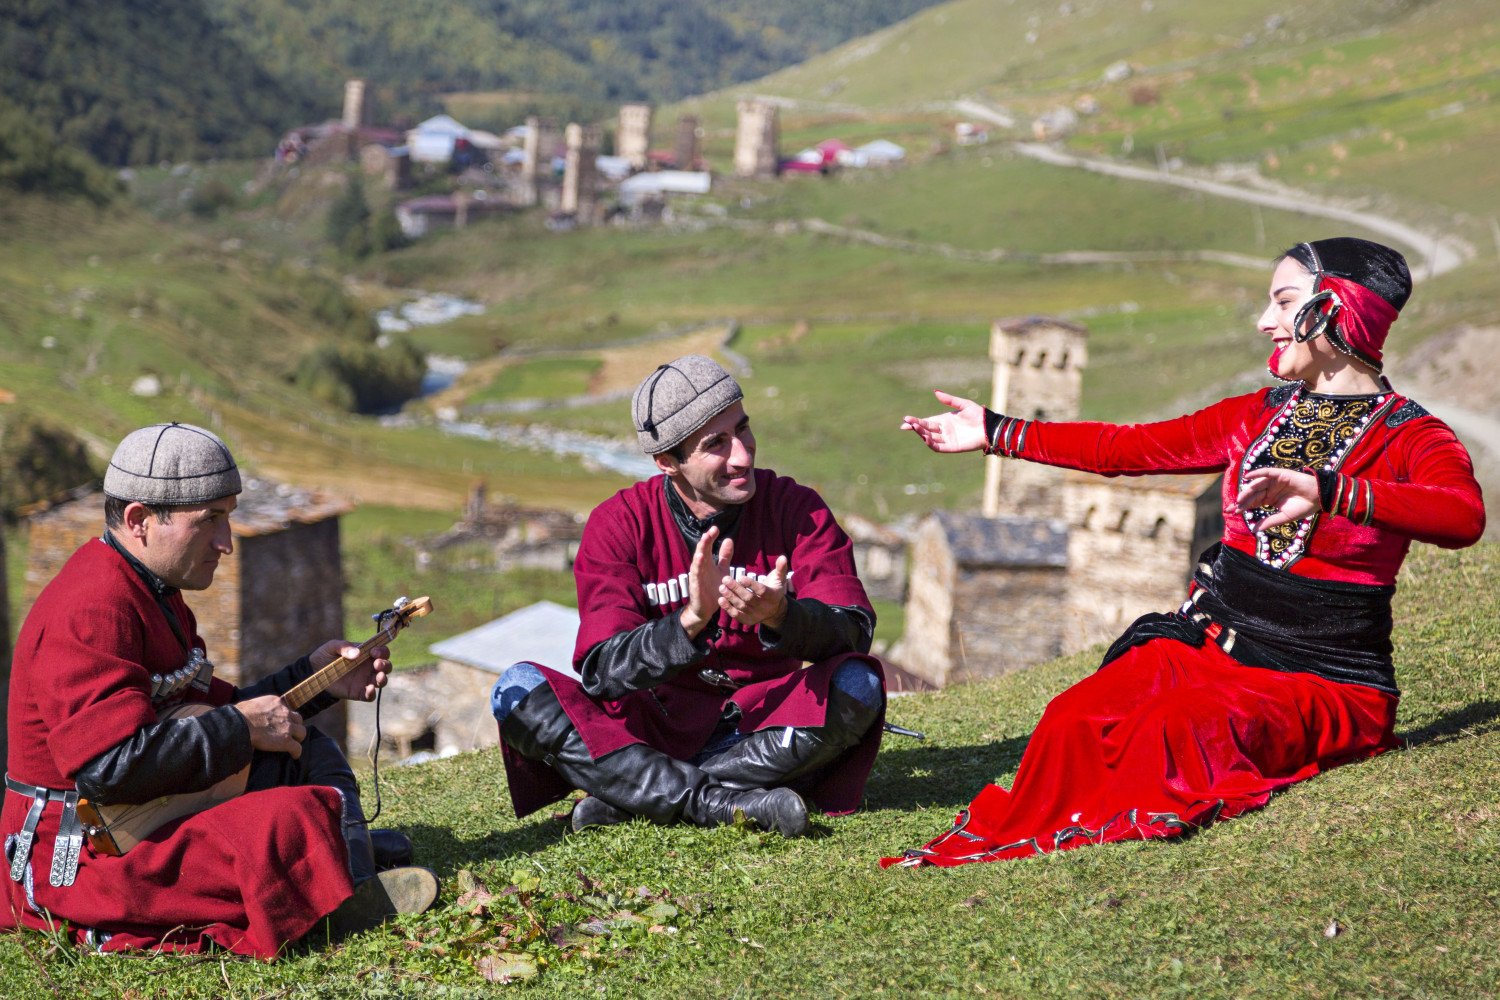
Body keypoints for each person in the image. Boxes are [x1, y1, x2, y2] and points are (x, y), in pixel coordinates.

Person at [887, 237, 1485, 868]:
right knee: (1073, 717)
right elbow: (1133, 447)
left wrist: (1333, 491)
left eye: (1284, 303)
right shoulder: (1258, 413)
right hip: (1212, 646)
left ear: (1338, 311)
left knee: (1171, 729)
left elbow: (1462, 515)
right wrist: (995, 431)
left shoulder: (1412, 436)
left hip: (1323, 681)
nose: (1264, 322)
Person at [2, 423, 438, 957]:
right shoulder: (92, 608)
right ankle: (344, 881)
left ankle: (352, 866)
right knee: (285, 821)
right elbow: (108, 769)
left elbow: (216, 710)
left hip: (148, 811)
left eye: (227, 517)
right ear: (139, 520)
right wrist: (242, 727)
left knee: (301, 746)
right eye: (209, 520)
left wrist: (318, 680)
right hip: (82, 856)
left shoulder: (154, 591)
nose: (226, 543)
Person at [491, 355, 886, 836]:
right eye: (716, 444)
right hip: (647, 731)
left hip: (757, 724)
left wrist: (785, 617)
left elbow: (854, 629)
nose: (742, 455)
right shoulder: (618, 524)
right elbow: (601, 672)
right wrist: (690, 622)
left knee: (859, 685)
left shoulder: (796, 509)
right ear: (667, 462)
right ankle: (716, 803)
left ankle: (634, 796)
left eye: (743, 430)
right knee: (516, 690)